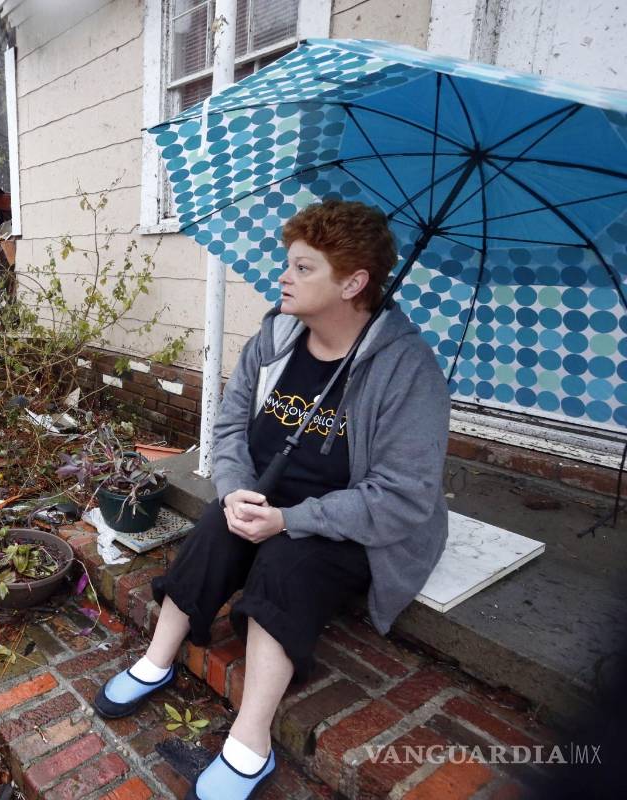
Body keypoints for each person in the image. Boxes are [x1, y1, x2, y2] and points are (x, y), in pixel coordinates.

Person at [93, 200, 451, 800]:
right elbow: (230, 426)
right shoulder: (278, 335)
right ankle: (158, 657)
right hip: (264, 501)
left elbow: (402, 498)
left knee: (287, 562)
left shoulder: (407, 371)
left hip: (348, 524)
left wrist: (290, 519)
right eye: (289, 264)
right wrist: (235, 493)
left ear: (353, 283)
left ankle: (251, 739)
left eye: (304, 268)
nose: (283, 277)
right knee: (212, 526)